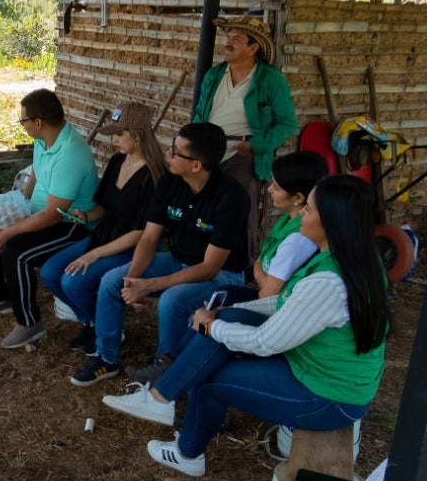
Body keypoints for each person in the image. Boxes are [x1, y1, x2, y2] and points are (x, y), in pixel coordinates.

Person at [102, 175, 389, 480]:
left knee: (210, 380)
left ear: (332, 220)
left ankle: (185, 449)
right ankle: (161, 398)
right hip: (319, 373)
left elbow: (266, 341)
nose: (302, 212)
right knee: (228, 322)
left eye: (310, 209)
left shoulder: (328, 282)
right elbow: (285, 303)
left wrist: (211, 329)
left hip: (330, 398)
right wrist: (231, 311)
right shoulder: (348, 257)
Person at [124, 149, 328, 383]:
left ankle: (177, 373)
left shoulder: (298, 239)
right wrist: (261, 270)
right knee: (209, 305)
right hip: (271, 298)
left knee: (204, 311)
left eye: (276, 186)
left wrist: (259, 271)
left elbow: (267, 292)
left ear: (299, 197)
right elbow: (261, 266)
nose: (269, 189)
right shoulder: (288, 219)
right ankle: (172, 365)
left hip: (278, 312)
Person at [70, 122, 248, 387]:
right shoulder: (169, 182)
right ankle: (107, 358)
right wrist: (132, 282)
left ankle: (165, 368)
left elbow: (210, 267)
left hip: (223, 275)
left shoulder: (231, 198)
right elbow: (150, 236)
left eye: (175, 152)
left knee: (172, 300)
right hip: (178, 261)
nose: (167, 154)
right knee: (112, 281)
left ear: (196, 164)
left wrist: (150, 285)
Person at [0, 89, 98, 350]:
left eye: (23, 120)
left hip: (72, 225)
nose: (21, 124)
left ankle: (29, 323)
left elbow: (52, 216)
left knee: (15, 251)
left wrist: (10, 231)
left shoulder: (70, 154)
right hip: (41, 214)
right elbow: (37, 169)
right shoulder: (44, 139)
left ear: (38, 122)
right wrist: (20, 202)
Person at [39, 105, 165, 354]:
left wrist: (95, 254)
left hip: (133, 246)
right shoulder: (118, 160)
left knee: (73, 283)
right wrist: (86, 215)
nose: (114, 139)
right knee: (50, 272)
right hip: (105, 234)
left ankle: (108, 331)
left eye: (120, 134)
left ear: (137, 135)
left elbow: (142, 232)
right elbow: (106, 208)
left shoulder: (154, 175)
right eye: (114, 134)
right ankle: (94, 322)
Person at [190, 14, 297, 254]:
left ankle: (243, 266)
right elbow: (199, 116)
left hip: (244, 155)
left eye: (236, 39)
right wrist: (193, 146)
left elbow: (287, 124)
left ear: (253, 48)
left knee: (241, 211)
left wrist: (257, 146)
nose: (228, 42)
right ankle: (202, 260)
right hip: (209, 152)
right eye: (228, 37)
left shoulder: (270, 80)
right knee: (204, 209)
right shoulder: (214, 75)